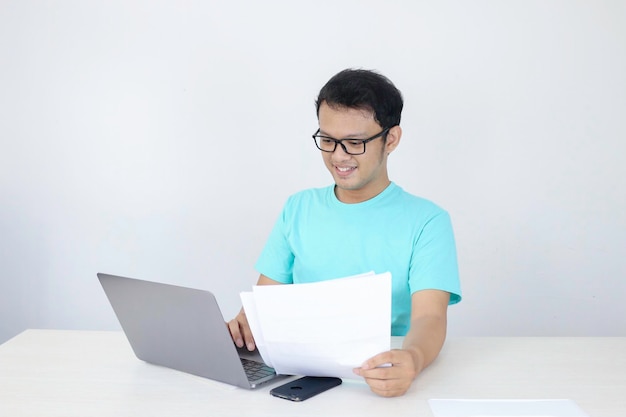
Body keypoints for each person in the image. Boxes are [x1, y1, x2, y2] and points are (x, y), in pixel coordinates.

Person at [228, 68, 461, 397]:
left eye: (354, 143)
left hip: (375, 377)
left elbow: (430, 317)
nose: (338, 156)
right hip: (298, 380)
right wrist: (245, 324)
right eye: (327, 140)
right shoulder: (298, 208)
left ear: (390, 139)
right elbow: (265, 304)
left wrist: (413, 357)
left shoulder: (427, 221)